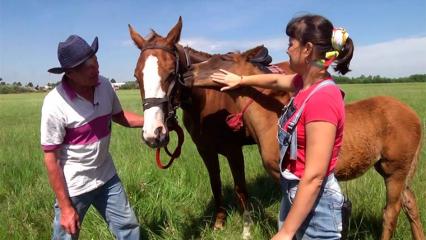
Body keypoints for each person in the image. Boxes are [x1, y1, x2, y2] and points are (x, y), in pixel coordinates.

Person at [211, 14, 354, 240]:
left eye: (291, 44)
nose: (287, 50)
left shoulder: (322, 98)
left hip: (318, 209)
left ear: (307, 50)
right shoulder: (303, 83)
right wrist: (241, 80)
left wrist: (286, 232)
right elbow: (276, 81)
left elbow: (315, 176)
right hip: (295, 194)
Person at [41, 35, 144, 239]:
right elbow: (51, 158)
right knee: (65, 235)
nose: (94, 68)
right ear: (70, 73)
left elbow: (119, 116)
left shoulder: (104, 86)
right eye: (85, 66)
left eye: (95, 61)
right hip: (75, 184)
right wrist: (65, 207)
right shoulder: (54, 103)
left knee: (128, 226)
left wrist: (152, 122)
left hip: (106, 176)